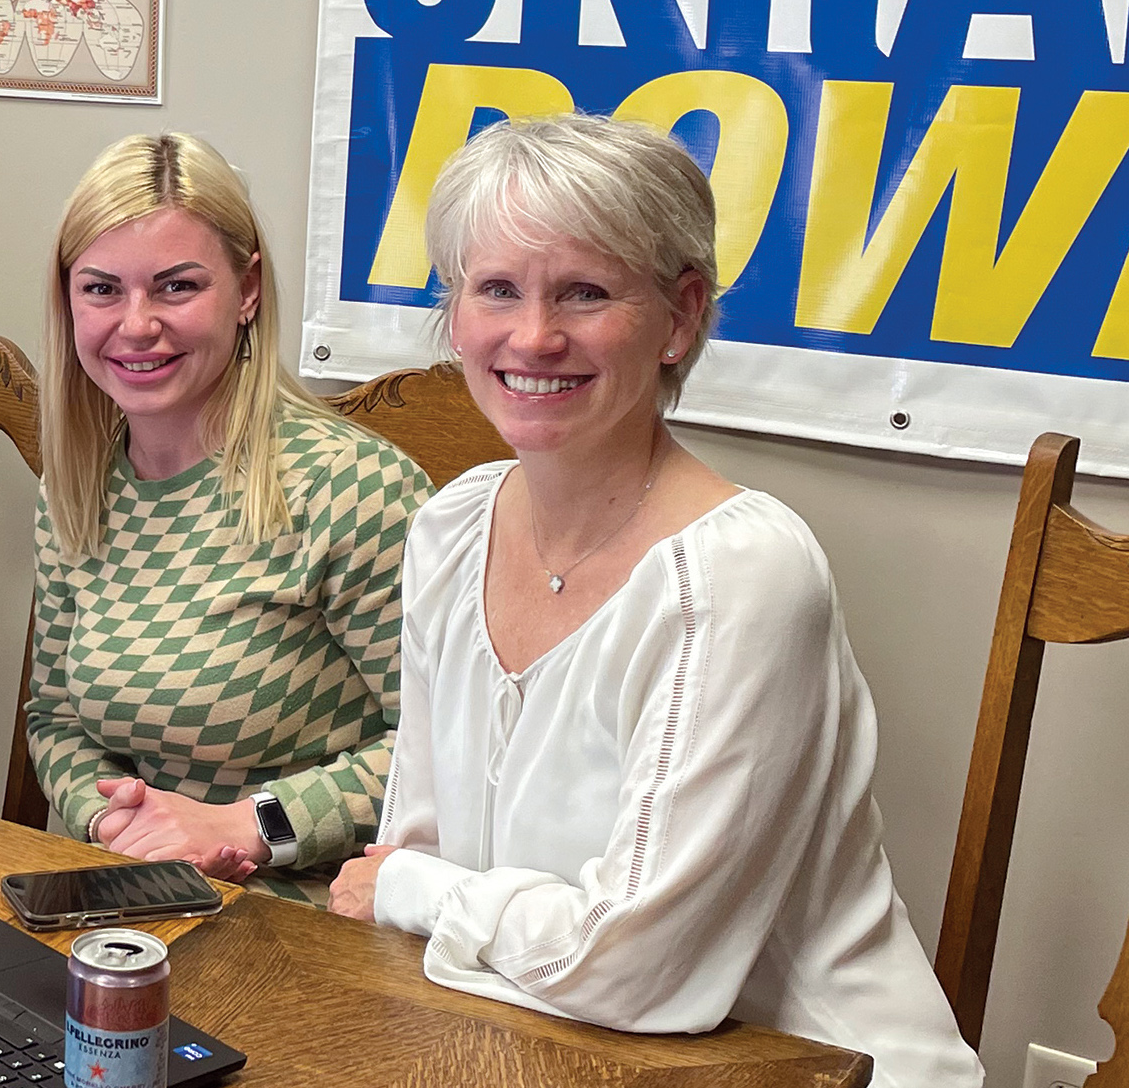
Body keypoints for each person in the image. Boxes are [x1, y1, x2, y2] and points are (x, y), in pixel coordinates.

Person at [329, 115, 984, 1088]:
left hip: (803, 1064)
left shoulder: (742, 573)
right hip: (543, 1044)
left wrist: (420, 891)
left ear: (678, 317)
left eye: (584, 292)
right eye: (495, 288)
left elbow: (638, 972)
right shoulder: (450, 528)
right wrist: (418, 886)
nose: (532, 335)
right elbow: (417, 847)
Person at [25, 133, 430, 905]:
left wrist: (248, 824)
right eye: (101, 289)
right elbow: (53, 716)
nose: (135, 324)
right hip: (132, 893)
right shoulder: (75, 484)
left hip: (309, 912)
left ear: (246, 290)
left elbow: (446, 751)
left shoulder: (351, 487)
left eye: (176, 287)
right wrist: (120, 827)